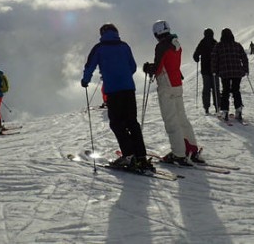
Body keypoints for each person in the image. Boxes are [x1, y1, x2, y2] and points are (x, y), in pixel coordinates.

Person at [81, 23, 152, 172]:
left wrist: (85, 81)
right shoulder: (124, 46)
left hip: (113, 91)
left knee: (117, 123)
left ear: (102, 34)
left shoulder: (99, 48)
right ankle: (141, 156)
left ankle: (129, 156)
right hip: (129, 89)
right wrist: (123, 75)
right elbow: (133, 67)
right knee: (132, 122)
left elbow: (90, 66)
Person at [143, 20, 203, 165]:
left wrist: (148, 68)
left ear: (157, 33)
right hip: (177, 84)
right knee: (182, 118)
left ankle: (178, 154)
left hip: (166, 85)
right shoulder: (176, 43)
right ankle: (191, 149)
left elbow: (158, 68)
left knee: (171, 120)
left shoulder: (161, 46)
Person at [210, 28, 249, 122]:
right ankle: (238, 109)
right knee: (236, 90)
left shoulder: (218, 46)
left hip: (225, 72)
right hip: (237, 71)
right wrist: (245, 69)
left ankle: (225, 111)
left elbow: (214, 59)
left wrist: (214, 70)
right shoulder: (237, 45)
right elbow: (244, 57)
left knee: (225, 91)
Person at [192, 28, 217, 114]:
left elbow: (195, 55)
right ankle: (217, 106)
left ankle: (206, 107)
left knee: (206, 89)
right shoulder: (215, 42)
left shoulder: (202, 43)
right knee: (215, 88)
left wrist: (197, 58)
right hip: (215, 69)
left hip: (205, 70)